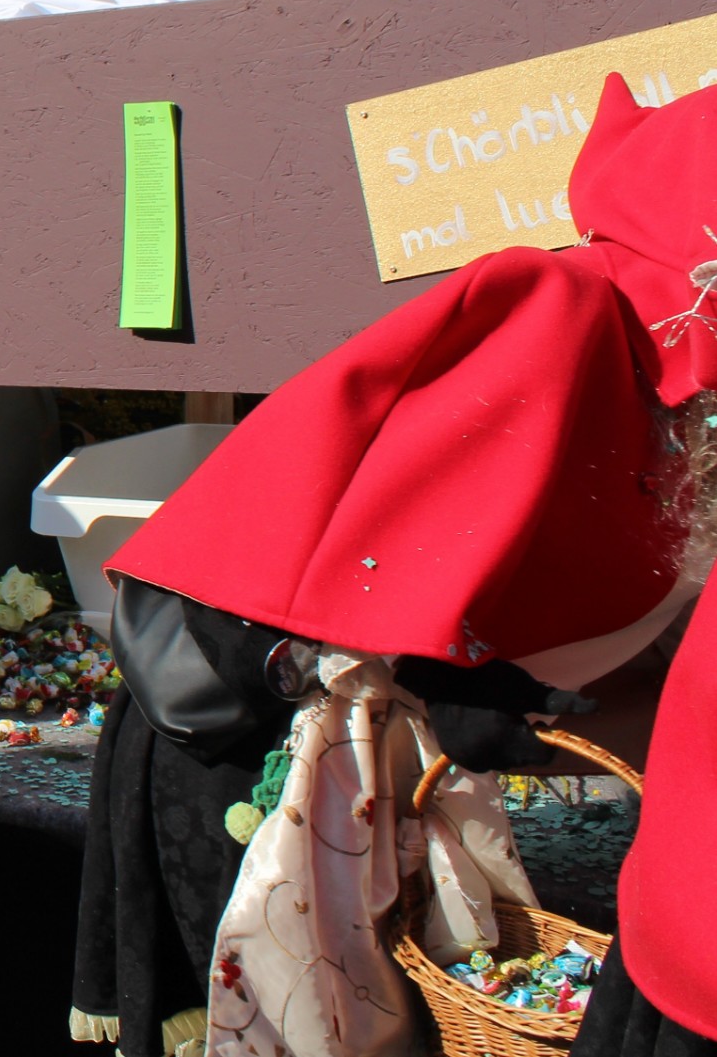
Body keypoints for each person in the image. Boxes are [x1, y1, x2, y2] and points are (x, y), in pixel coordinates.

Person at [76, 72, 715, 1057]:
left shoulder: (625, 339)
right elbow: (411, 543)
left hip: (325, 728)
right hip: (255, 733)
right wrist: (478, 688)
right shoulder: (557, 317)